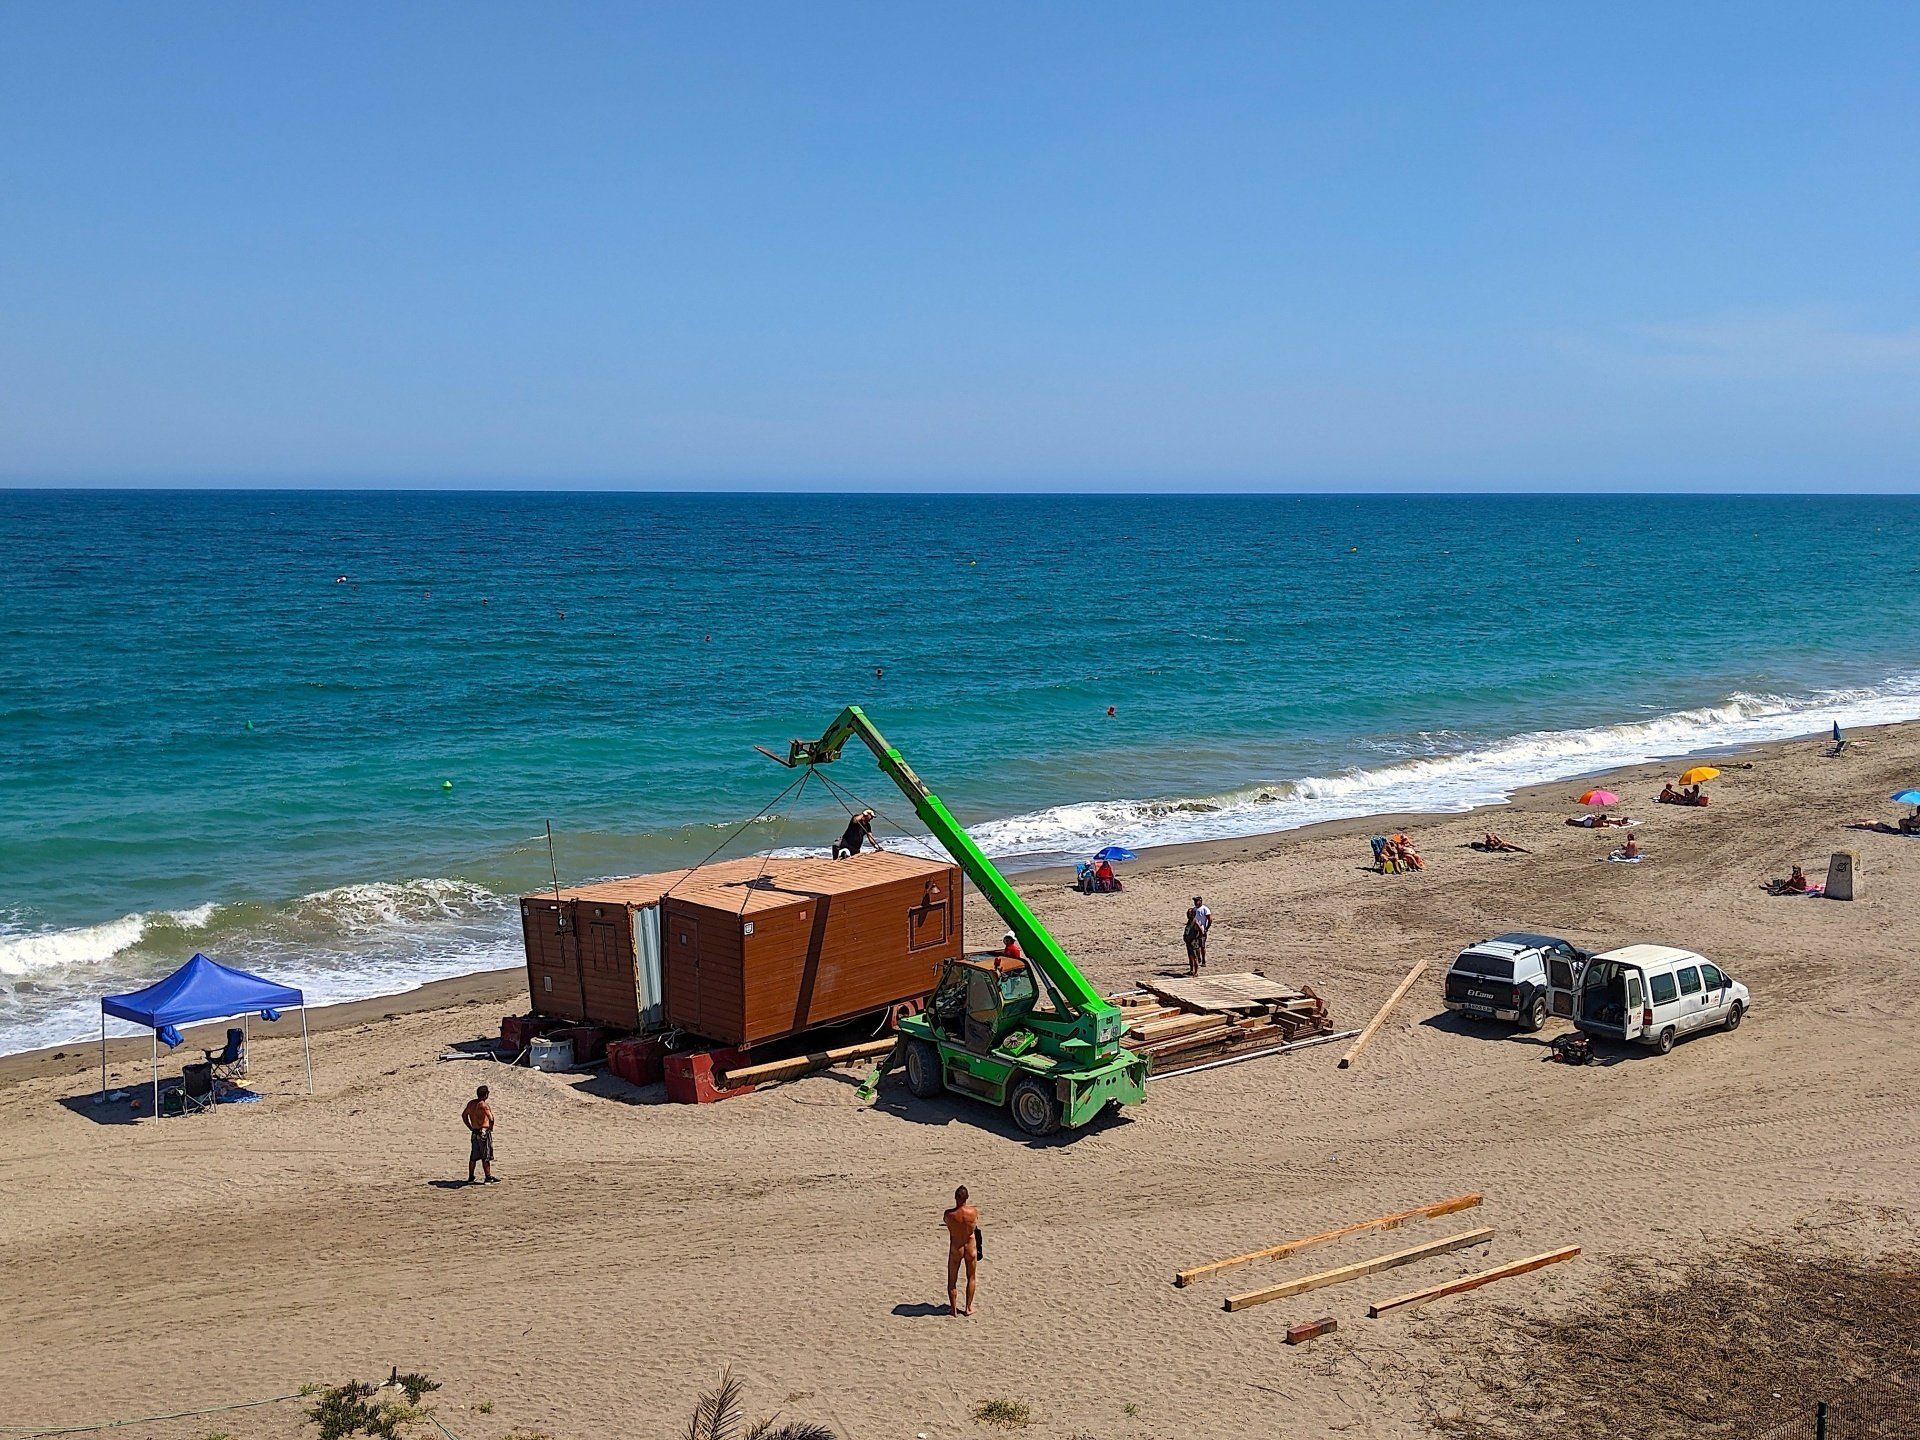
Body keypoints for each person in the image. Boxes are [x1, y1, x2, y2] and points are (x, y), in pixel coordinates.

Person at [943, 1185, 980, 1316]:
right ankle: (968, 1308)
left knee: (952, 1280)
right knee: (971, 1277)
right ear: (967, 1197)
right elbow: (975, 1224)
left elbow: (947, 1223)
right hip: (970, 1247)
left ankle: (953, 1309)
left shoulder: (949, 1214)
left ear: (955, 1198)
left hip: (956, 1248)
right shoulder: (973, 1212)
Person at [463, 1085, 497, 1185]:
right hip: (483, 1132)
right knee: (485, 1155)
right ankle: (488, 1177)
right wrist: (490, 1128)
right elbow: (491, 1118)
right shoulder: (483, 1105)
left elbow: (464, 1115)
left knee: (473, 1155)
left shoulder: (471, 1104)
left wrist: (469, 1126)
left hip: (475, 1131)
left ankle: (471, 1177)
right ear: (486, 1094)